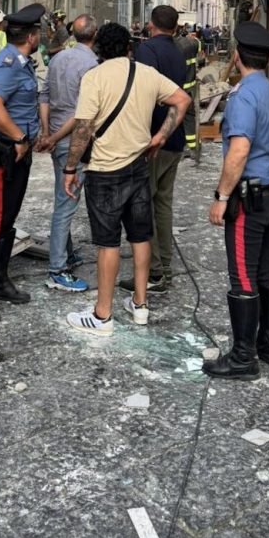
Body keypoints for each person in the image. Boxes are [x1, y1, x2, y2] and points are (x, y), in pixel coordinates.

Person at [64, 23, 190, 336]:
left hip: (105, 171)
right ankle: (140, 304)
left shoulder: (94, 77)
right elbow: (182, 100)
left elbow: (83, 129)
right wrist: (160, 136)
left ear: (98, 49)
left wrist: (69, 168)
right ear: (129, 48)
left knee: (107, 243)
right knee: (140, 236)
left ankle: (102, 315)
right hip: (139, 166)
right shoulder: (147, 73)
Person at [203, 21, 269, 381]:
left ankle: (243, 357)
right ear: (267, 62)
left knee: (242, 274)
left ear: (237, 57)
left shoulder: (243, 96)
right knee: (267, 270)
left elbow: (238, 152)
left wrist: (221, 197)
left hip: (250, 199)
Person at [0, 3, 45, 324]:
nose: (41, 35)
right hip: (2, 149)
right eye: (39, 31)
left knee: (9, 216)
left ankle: (1, 280)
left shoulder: (21, 62)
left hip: (17, 149)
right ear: (32, 36)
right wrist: (18, 137)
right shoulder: (7, 64)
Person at [120, 6, 186, 295]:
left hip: (153, 140)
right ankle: (164, 268)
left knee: (143, 206)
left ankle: (154, 272)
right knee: (163, 204)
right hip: (174, 137)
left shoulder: (147, 52)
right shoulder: (180, 51)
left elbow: (143, 96)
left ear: (150, 25)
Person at [38, 14, 99, 292]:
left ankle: (66, 253)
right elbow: (82, 113)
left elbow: (45, 96)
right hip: (73, 142)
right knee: (66, 204)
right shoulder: (91, 65)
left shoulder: (59, 58)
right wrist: (55, 136)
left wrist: (46, 132)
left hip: (56, 138)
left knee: (63, 198)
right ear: (94, 36)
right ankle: (57, 269)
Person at [175, 26, 204, 154]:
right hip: (191, 88)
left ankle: (182, 146)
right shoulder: (192, 43)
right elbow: (200, 49)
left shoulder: (174, 47)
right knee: (190, 117)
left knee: (177, 117)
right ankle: (194, 145)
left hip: (178, 89)